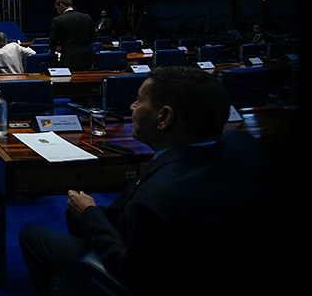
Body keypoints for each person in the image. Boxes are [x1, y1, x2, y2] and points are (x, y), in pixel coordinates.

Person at [18, 66, 278, 296]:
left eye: (140, 100)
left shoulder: (155, 199)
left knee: (33, 235)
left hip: (153, 278)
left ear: (164, 118)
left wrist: (89, 213)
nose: (132, 107)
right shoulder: (246, 146)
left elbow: (129, 268)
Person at [49, 0, 96, 71]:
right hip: (86, 57)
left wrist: (52, 51)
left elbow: (54, 40)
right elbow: (93, 38)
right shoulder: (86, 17)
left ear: (61, 5)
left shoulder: (57, 20)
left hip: (69, 58)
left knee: (69, 81)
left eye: (57, 8)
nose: (57, 10)